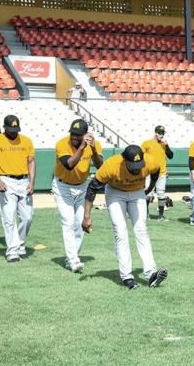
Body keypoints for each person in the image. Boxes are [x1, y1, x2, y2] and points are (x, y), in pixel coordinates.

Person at [82, 145, 167, 290]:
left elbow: (156, 172)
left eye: (138, 165)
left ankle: (151, 273)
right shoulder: (111, 166)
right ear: (124, 160)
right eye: (133, 165)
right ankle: (127, 276)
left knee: (141, 230)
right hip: (115, 193)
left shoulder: (150, 161)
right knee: (121, 232)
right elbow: (92, 188)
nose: (136, 168)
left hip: (137, 192)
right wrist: (87, 216)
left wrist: (150, 188)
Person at [52, 119, 103, 273]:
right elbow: (69, 164)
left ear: (85, 134)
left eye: (78, 135)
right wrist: (82, 147)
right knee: (68, 222)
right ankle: (74, 260)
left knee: (80, 223)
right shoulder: (62, 143)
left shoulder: (94, 143)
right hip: (63, 186)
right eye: (73, 134)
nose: (74, 137)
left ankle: (72, 257)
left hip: (82, 186)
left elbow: (100, 165)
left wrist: (93, 149)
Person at [0, 115, 35, 262]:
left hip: (24, 180)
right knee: (9, 217)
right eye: (11, 129)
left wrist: (32, 182)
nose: (14, 132)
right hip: (6, 181)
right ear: (4, 127)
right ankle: (12, 251)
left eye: (16, 129)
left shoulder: (26, 141)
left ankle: (20, 244)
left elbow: (31, 161)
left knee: (27, 217)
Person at [141, 125, 173, 221]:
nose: (161, 135)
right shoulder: (147, 143)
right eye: (160, 133)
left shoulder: (164, 144)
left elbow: (171, 156)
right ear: (155, 133)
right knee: (148, 193)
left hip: (161, 173)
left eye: (163, 133)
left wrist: (166, 145)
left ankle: (161, 215)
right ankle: (145, 214)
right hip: (149, 172)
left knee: (161, 194)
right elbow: (140, 155)